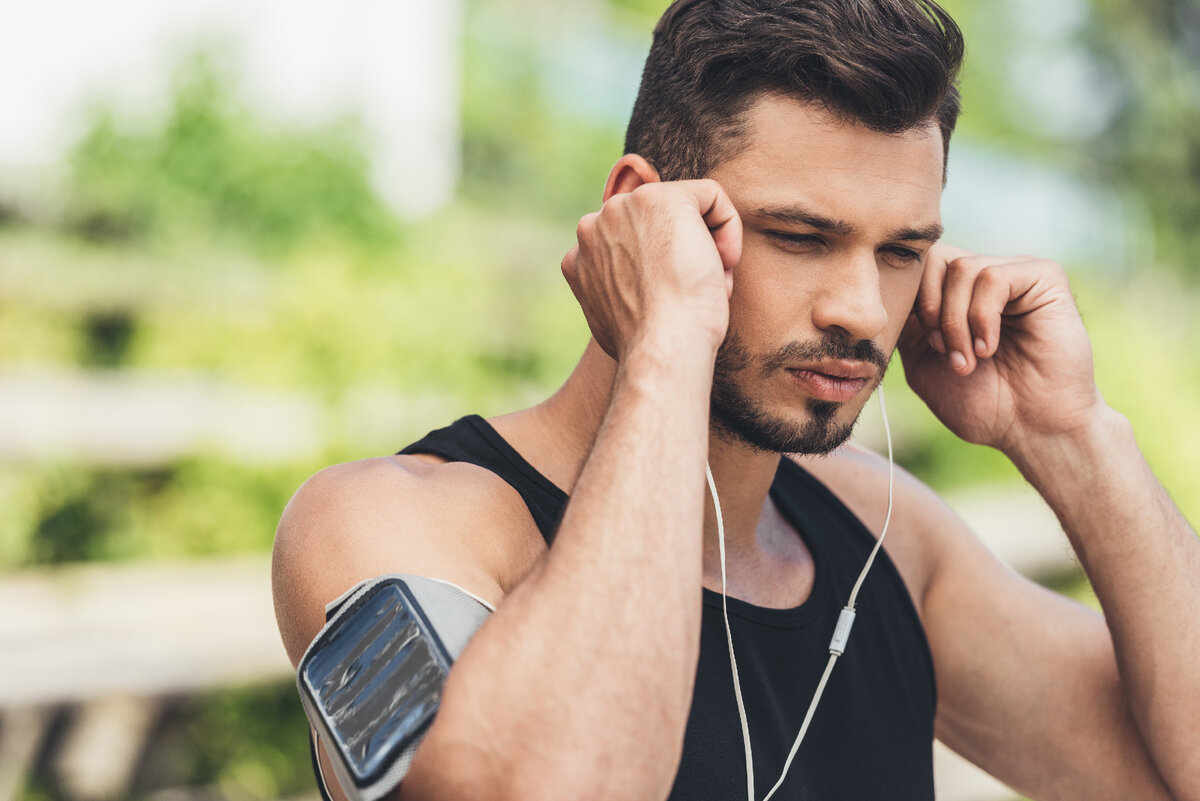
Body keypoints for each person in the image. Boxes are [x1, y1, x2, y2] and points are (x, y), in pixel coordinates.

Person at [272, 0, 1200, 799]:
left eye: (901, 251)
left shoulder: (890, 541)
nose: (861, 309)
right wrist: (665, 341)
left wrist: (1075, 436)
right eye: (800, 236)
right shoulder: (388, 522)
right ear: (644, 209)